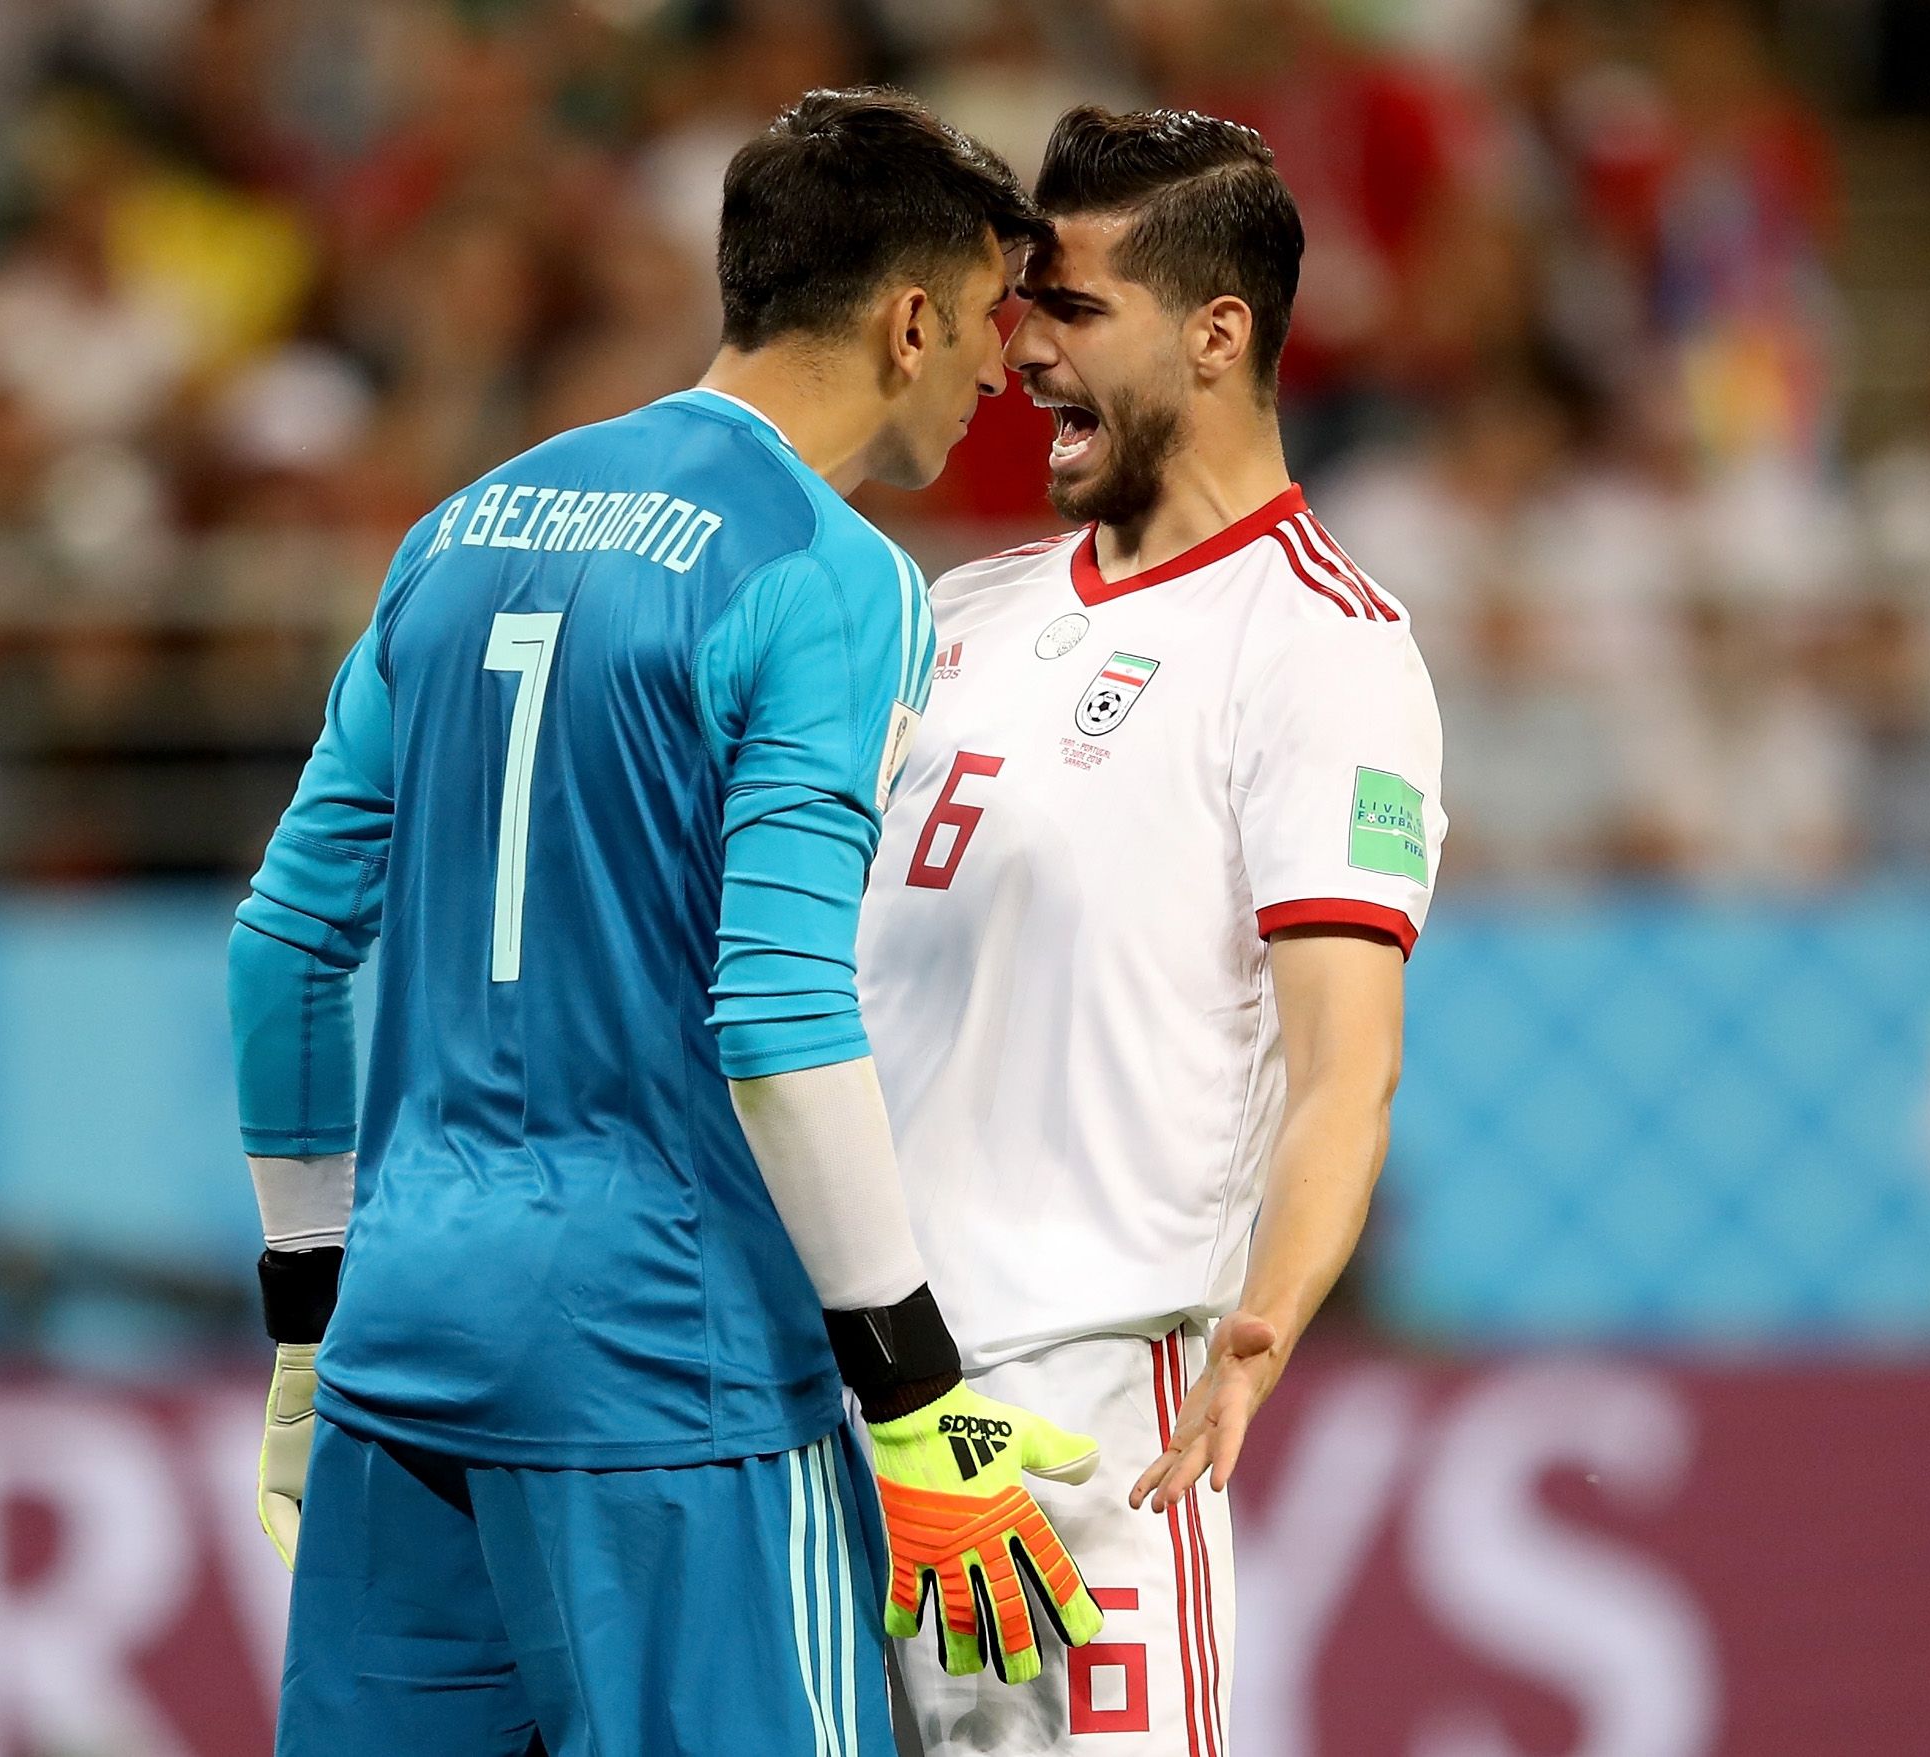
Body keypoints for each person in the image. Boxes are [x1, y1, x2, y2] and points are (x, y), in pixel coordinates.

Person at [229, 89, 1100, 1757]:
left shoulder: (461, 527)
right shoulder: (831, 573)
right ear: (911, 320)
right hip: (664, 1364)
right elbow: (775, 1012)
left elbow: (283, 950)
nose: (1005, 372)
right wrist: (915, 1389)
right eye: (994, 322)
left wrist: (305, 1320)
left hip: (399, 1347)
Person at [857, 107, 1447, 1754]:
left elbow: (1347, 1066)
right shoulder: (955, 615)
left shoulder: (1323, 652)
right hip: (843, 1409)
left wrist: (1265, 1316)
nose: (1020, 343)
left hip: (1078, 1423)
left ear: (1217, 331)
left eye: (1073, 306)